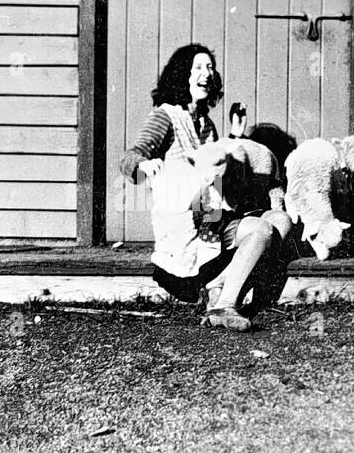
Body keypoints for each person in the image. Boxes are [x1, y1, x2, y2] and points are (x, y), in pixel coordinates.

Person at [120, 43, 294, 331]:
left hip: (212, 221)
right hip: (186, 230)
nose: (207, 73)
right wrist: (143, 166)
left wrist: (235, 137)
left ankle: (220, 289)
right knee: (261, 230)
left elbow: (212, 168)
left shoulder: (206, 123)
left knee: (281, 220)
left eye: (210, 67)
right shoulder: (166, 117)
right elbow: (131, 157)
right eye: (198, 67)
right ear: (181, 75)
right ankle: (225, 306)